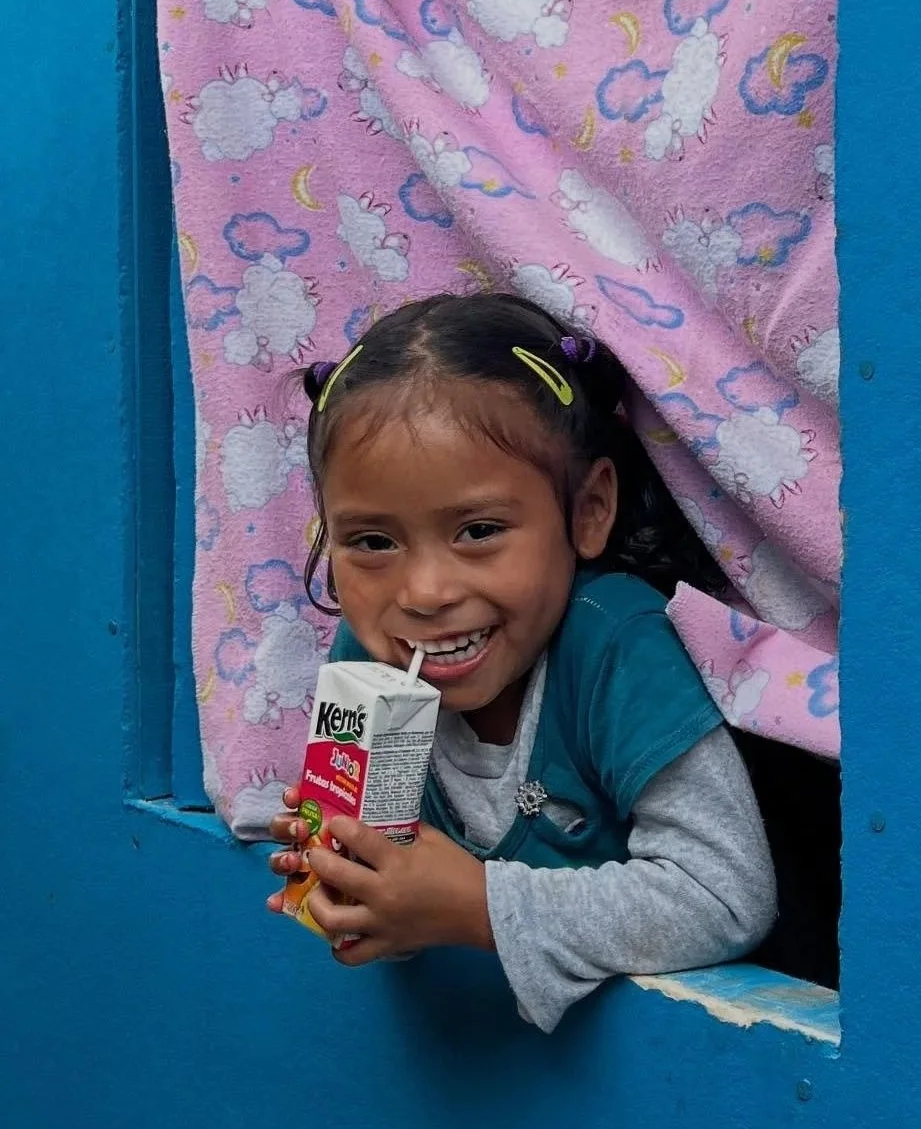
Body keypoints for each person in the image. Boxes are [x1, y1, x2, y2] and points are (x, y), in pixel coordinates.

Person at [266, 293, 776, 1031]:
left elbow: (725, 894)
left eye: (478, 530)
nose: (425, 593)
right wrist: (355, 885)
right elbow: (403, 908)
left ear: (589, 509)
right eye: (372, 542)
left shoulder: (614, 648)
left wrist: (478, 905)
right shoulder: (371, 656)